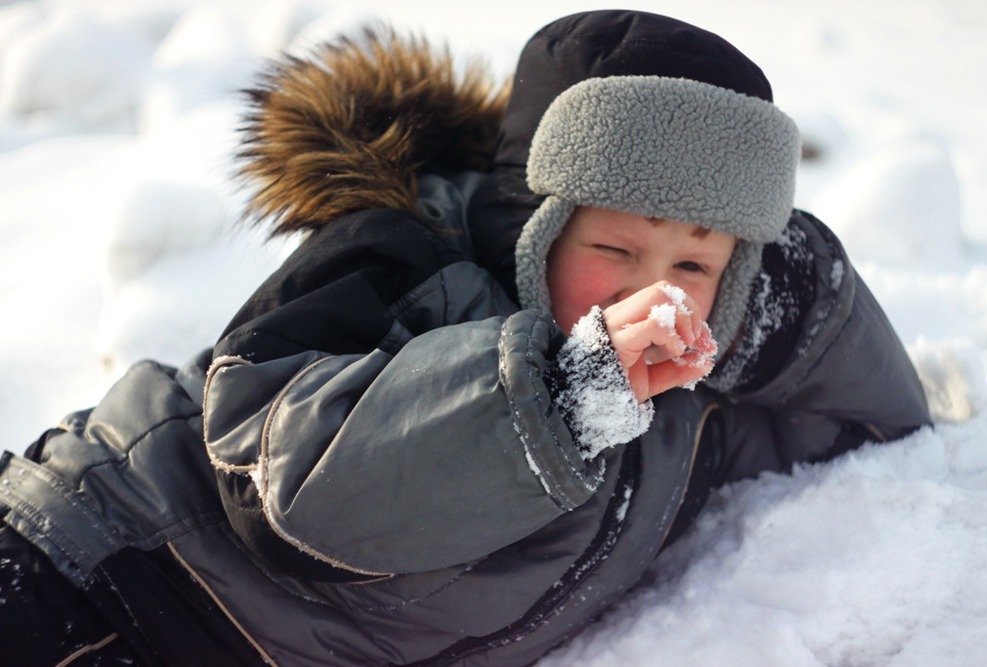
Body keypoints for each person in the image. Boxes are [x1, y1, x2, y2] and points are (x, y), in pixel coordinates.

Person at [0, 9, 930, 666]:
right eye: (615, 246)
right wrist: (566, 398)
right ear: (531, 222)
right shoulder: (408, 260)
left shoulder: (687, 403)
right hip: (100, 561)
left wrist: (795, 305)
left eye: (698, 266)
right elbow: (296, 481)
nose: (657, 288)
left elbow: (868, 424)